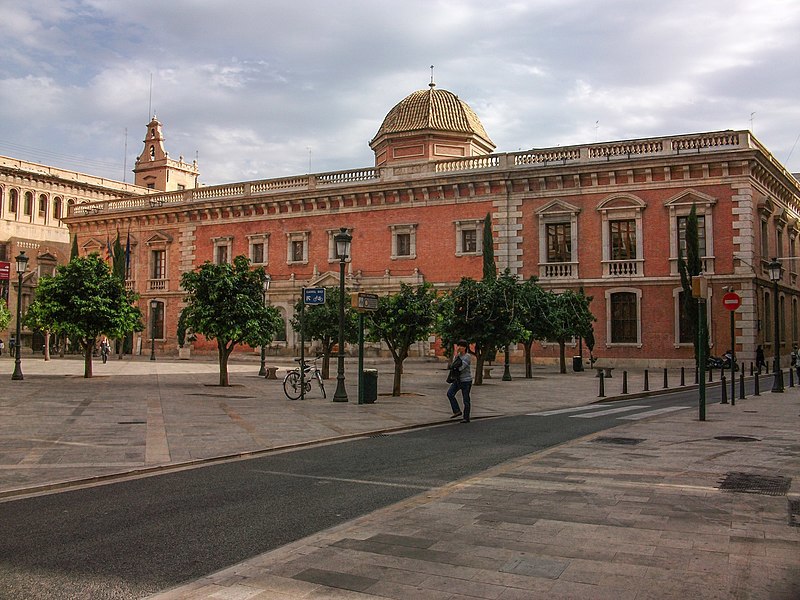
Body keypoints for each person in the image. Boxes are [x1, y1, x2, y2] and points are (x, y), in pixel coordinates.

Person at [446, 340, 473, 423]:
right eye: (459, 346)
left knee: (466, 399)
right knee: (450, 393)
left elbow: (461, 368)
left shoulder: (467, 356)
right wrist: (455, 355)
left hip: (466, 380)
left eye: (461, 346)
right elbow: (453, 365)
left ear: (465, 347)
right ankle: (457, 411)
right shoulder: (457, 356)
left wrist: (455, 367)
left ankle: (466, 417)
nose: (460, 348)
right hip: (458, 380)